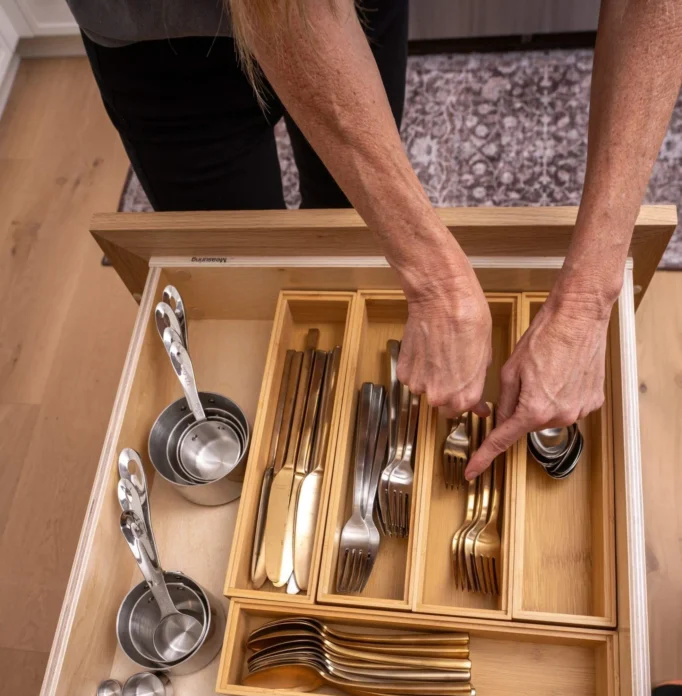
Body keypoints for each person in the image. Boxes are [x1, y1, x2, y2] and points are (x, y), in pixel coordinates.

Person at [71, 0, 682, 477]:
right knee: (238, 256)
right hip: (162, 31)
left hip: (348, 12)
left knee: (346, 223)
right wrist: (438, 283)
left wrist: (588, 301)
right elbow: (284, 10)